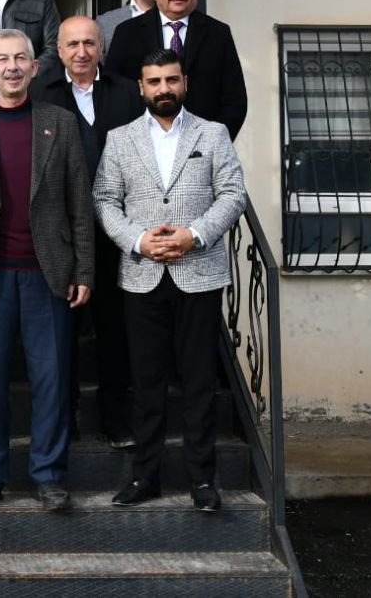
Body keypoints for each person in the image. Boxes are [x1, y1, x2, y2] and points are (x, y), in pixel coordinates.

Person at [0, 29, 94, 512]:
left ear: (35, 67)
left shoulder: (60, 123)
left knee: (51, 380)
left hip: (48, 274)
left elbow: (79, 203)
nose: (12, 67)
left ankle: (49, 476)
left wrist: (84, 270)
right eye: (3, 60)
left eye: (20, 58)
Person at [93, 49, 247, 513]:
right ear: (141, 87)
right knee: (147, 382)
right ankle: (145, 476)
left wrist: (194, 235)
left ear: (185, 83)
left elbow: (233, 194)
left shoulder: (212, 133)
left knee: (199, 382)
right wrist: (138, 240)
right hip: (142, 276)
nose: (164, 88)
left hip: (198, 274)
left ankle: (202, 480)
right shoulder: (120, 139)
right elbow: (104, 199)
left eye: (172, 80)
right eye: (155, 81)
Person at [29, 15, 143, 448]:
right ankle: (66, 417)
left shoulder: (128, 93)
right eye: (72, 44)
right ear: (58, 51)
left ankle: (117, 420)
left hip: (118, 231)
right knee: (62, 332)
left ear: (102, 48)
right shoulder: (40, 93)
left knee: (116, 329)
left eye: (89, 43)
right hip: (60, 233)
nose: (81, 52)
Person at [105, 0, 248, 140]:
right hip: (142, 144)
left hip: (203, 145)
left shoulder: (218, 34)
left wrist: (213, 143)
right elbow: (113, 95)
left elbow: (235, 101)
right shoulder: (127, 33)